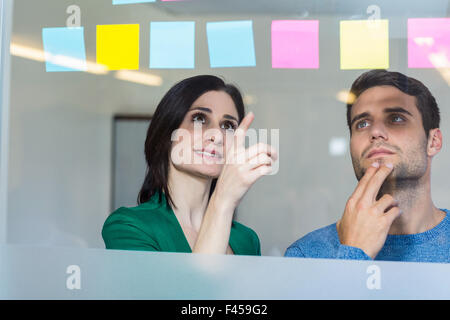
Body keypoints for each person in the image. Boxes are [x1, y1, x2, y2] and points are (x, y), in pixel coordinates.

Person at [285, 69, 450, 263]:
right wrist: (354, 253)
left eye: (396, 118)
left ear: (433, 142)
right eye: (362, 124)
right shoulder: (305, 255)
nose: (376, 131)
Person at [102, 75, 277, 255]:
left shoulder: (246, 240)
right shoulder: (130, 226)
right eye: (199, 119)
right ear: (166, 134)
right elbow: (194, 283)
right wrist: (222, 200)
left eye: (228, 126)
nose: (217, 136)